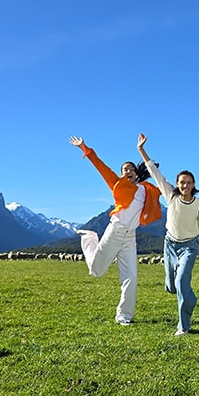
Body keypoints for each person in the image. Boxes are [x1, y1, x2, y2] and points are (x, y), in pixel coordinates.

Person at [69, 135, 162, 326]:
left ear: (136, 173)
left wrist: (141, 149)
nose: (128, 171)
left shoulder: (147, 189)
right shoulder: (118, 185)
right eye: (124, 169)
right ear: (121, 174)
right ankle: (90, 238)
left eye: (131, 169)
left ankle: (124, 316)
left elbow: (158, 176)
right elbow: (101, 167)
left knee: (131, 278)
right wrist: (85, 148)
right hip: (114, 232)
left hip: (130, 237)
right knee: (96, 271)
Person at [136, 133, 199, 336]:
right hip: (169, 245)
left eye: (189, 182)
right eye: (182, 182)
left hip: (189, 246)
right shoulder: (171, 195)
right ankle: (188, 297)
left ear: (194, 185)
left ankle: (183, 325)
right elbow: (154, 171)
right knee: (171, 286)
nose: (185, 186)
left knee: (181, 281)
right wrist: (141, 149)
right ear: (177, 184)